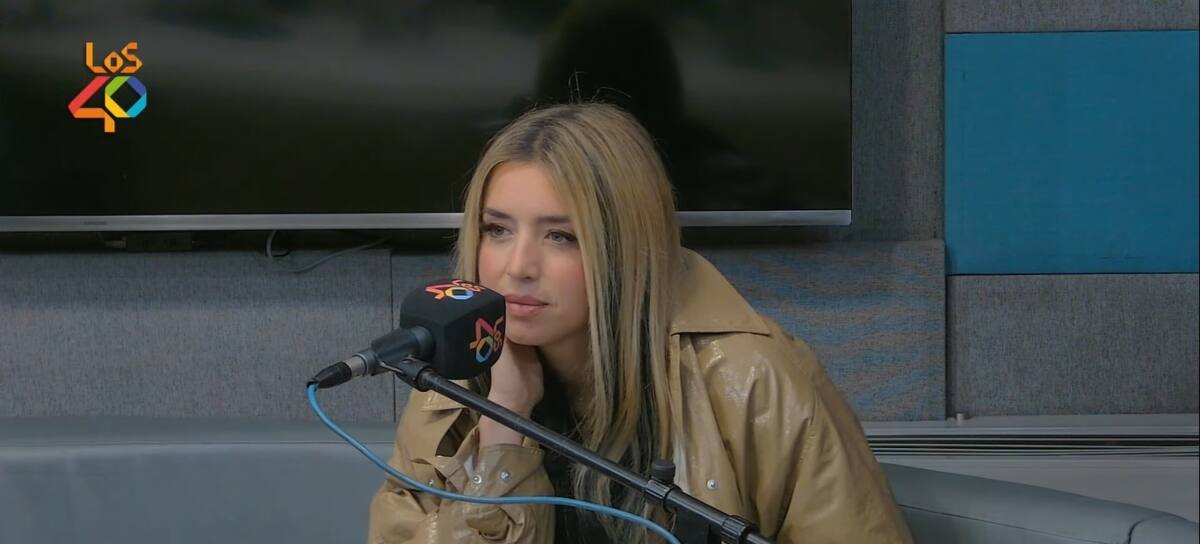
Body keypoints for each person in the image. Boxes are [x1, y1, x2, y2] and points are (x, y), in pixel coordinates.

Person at [367, 103, 912, 544]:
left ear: (625, 248)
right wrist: (504, 423)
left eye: (561, 236)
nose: (517, 267)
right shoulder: (448, 384)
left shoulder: (755, 380)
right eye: (498, 230)